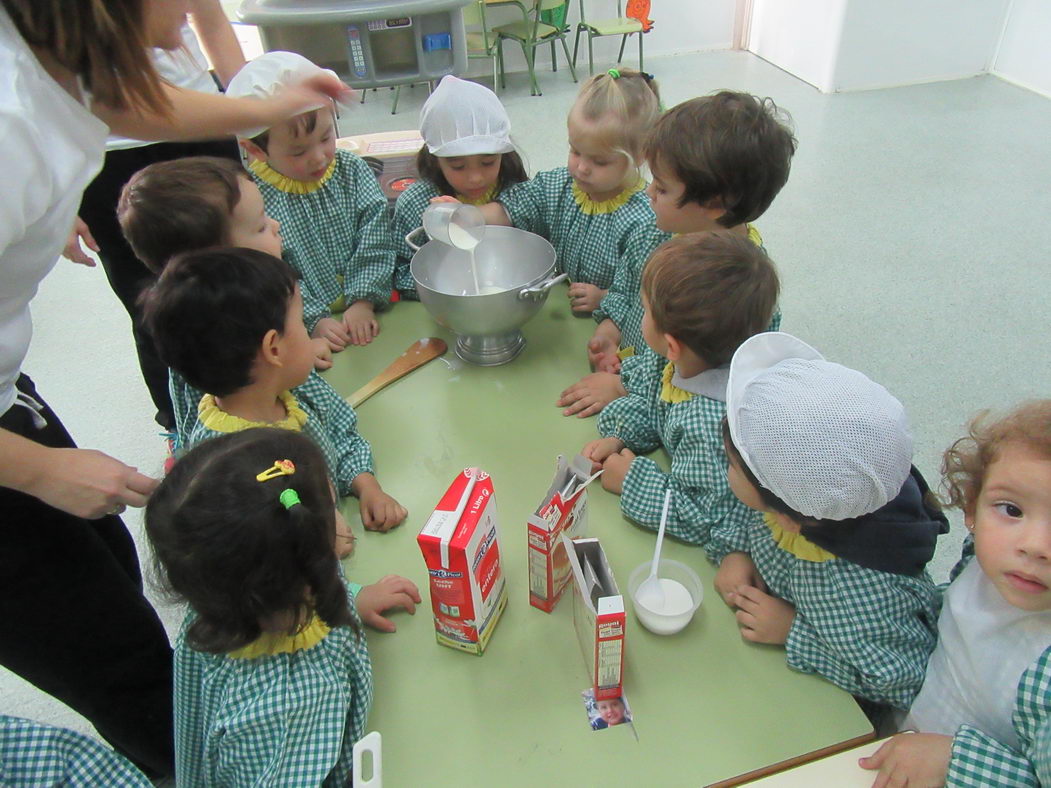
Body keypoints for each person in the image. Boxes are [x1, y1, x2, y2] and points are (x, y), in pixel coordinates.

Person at [0, 0, 347, 777]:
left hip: (6, 398)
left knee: (107, 569)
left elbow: (118, 99)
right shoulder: (235, 451)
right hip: (284, 635)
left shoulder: (59, 63)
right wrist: (322, 556)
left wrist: (270, 103)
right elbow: (283, 494)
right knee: (113, 654)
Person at [146, 428, 418, 785]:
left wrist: (351, 596)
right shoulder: (292, 704)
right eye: (330, 499)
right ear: (313, 549)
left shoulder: (226, 595)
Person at [715, 332, 947, 720]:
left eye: (731, 465)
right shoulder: (806, 498)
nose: (726, 471)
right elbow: (754, 512)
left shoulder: (855, 593)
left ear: (789, 519)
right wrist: (736, 550)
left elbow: (901, 681)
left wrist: (793, 632)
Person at [559, 91, 797, 419]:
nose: (648, 192)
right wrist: (610, 332)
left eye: (662, 187)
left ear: (715, 204)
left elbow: (709, 381)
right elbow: (626, 288)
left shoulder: (738, 290)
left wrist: (622, 385)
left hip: (665, 413)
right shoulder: (655, 231)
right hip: (625, 367)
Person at [65, 0, 245, 433]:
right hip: (106, 152)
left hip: (199, 123)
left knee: (241, 279)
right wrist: (60, 191)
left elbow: (210, 19)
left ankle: (256, 398)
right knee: (155, 305)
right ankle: (181, 427)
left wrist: (250, 112)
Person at [141, 247, 408, 534]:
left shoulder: (294, 392)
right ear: (274, 349)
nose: (309, 335)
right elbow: (263, 554)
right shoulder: (228, 465)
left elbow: (339, 434)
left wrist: (366, 485)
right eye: (302, 324)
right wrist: (320, 542)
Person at [861, 401, 1051, 786]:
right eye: (1011, 510)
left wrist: (953, 760)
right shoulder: (984, 562)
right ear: (971, 509)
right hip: (899, 736)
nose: (1035, 545)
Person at [581, 233, 778, 548]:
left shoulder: (707, 424)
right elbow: (656, 403)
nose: (641, 317)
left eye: (644, 310)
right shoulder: (688, 359)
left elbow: (707, 518)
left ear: (671, 344)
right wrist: (622, 435)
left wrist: (632, 482)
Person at [117, 155, 333, 442]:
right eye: (259, 227)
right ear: (220, 265)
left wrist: (300, 345)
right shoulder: (218, 363)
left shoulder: (254, 297)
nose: (276, 225)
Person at [226, 51, 396, 350]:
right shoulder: (253, 199)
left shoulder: (351, 169)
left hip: (372, 304)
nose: (318, 157)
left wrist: (364, 299)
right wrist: (312, 318)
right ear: (255, 150)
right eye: (297, 152)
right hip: (301, 330)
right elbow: (270, 272)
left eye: (326, 137)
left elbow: (375, 232)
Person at [476, 67, 666, 315]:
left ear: (641, 155)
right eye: (575, 151)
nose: (582, 168)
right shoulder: (561, 184)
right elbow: (518, 206)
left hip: (608, 323)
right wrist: (469, 216)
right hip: (560, 307)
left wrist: (603, 298)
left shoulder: (644, 221)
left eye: (599, 161)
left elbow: (644, 293)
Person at [391, 75, 527, 300]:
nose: (475, 178)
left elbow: (533, 247)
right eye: (458, 166)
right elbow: (403, 270)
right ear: (436, 160)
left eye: (487, 163)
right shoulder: (415, 204)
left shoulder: (514, 191)